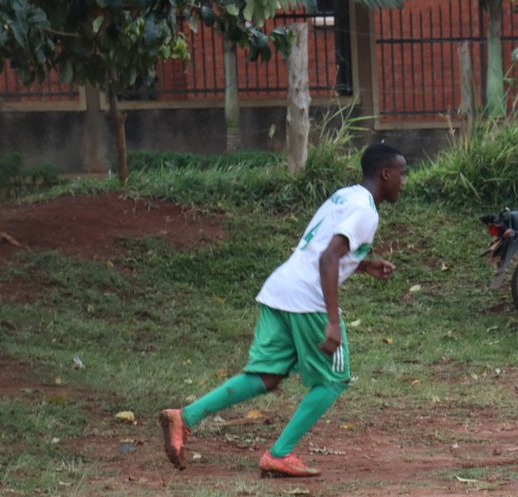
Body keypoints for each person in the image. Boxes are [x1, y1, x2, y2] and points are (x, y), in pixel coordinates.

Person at [159, 143, 407, 478]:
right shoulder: (366, 212)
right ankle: (279, 453)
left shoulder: (345, 196)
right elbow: (328, 258)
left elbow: (323, 248)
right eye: (401, 174)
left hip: (281, 289)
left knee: (266, 375)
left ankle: (185, 417)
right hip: (308, 300)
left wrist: (363, 266)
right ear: (385, 173)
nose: (404, 182)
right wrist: (332, 322)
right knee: (333, 380)